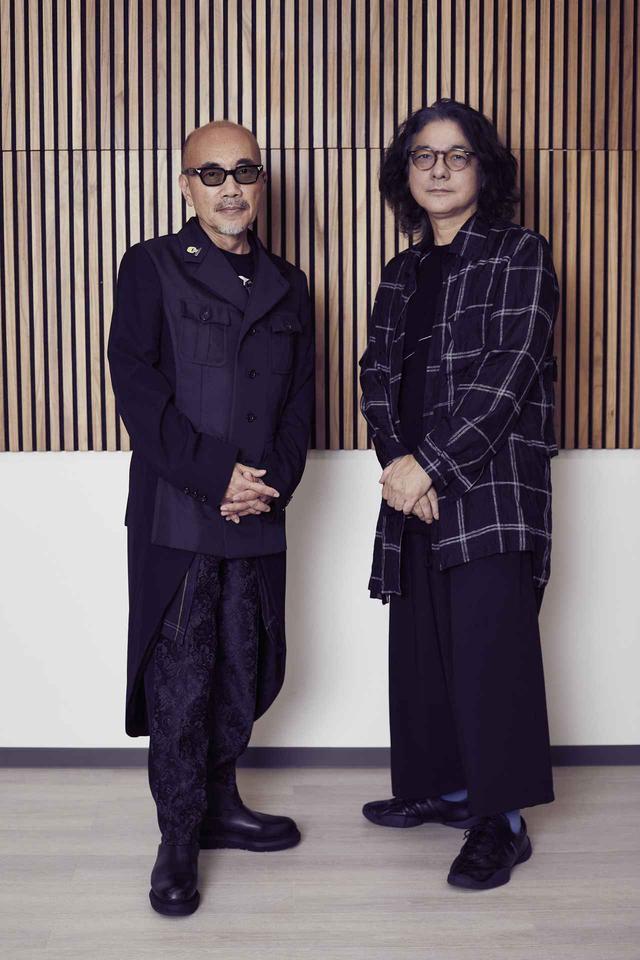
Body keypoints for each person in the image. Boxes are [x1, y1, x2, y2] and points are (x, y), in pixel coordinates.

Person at [107, 120, 314, 915]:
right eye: (212, 173)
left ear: (261, 183)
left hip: (256, 509)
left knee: (241, 666)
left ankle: (221, 806)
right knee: (181, 679)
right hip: (180, 509)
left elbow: (299, 407)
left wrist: (270, 485)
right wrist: (213, 477)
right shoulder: (152, 265)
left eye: (245, 172)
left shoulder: (290, 283)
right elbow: (138, 389)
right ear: (186, 185)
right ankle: (176, 837)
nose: (231, 188)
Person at [358, 98, 559, 890]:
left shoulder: (519, 252)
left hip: (489, 484)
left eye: (456, 155)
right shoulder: (401, 272)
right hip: (412, 489)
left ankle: (501, 822)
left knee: (488, 652)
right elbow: (376, 377)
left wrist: (432, 466)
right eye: (423, 156)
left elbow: (510, 372)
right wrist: (401, 468)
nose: (438, 170)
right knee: (422, 650)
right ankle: (443, 790)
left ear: (484, 169)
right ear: (405, 173)